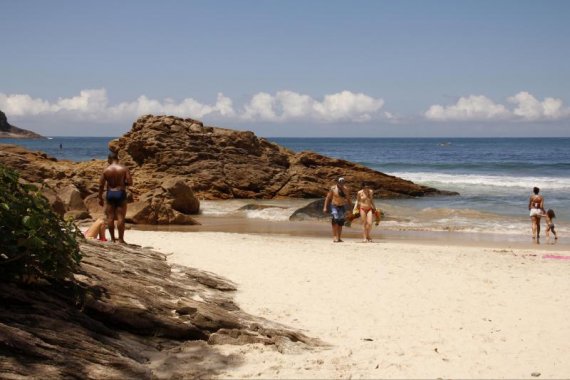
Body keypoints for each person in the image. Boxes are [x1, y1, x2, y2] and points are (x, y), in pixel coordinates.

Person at [98, 152, 132, 244]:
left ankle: (112, 239)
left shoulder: (106, 170)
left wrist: (100, 197)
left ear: (109, 159)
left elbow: (101, 185)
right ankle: (120, 240)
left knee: (110, 217)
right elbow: (130, 182)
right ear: (117, 159)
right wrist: (122, 184)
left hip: (110, 193)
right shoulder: (124, 169)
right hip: (120, 193)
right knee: (121, 217)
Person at [323, 177, 352, 242]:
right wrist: (325, 207)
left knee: (340, 222)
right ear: (337, 182)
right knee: (335, 220)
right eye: (340, 183)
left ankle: (339, 237)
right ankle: (334, 237)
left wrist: (351, 209)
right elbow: (328, 198)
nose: (341, 184)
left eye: (343, 183)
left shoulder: (346, 189)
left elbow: (349, 199)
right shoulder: (333, 188)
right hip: (334, 206)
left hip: (342, 206)